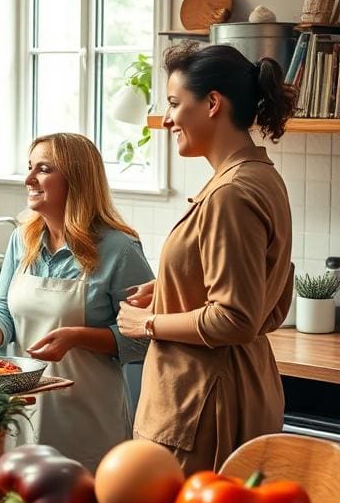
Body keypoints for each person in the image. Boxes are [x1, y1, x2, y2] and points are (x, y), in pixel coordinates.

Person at [117, 42, 296, 474]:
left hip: (203, 407)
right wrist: (172, 285)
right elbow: (265, 290)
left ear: (213, 103)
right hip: (231, 392)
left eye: (174, 103)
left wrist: (148, 323)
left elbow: (235, 318)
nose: (167, 119)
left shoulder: (230, 194)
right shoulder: (259, 177)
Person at [0, 133, 154, 472]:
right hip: (24, 410)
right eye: (30, 167)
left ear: (76, 180)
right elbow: (3, 310)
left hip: (88, 417)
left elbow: (143, 339)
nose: (29, 179)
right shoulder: (22, 240)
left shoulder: (119, 249)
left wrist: (77, 337)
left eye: (44, 169)